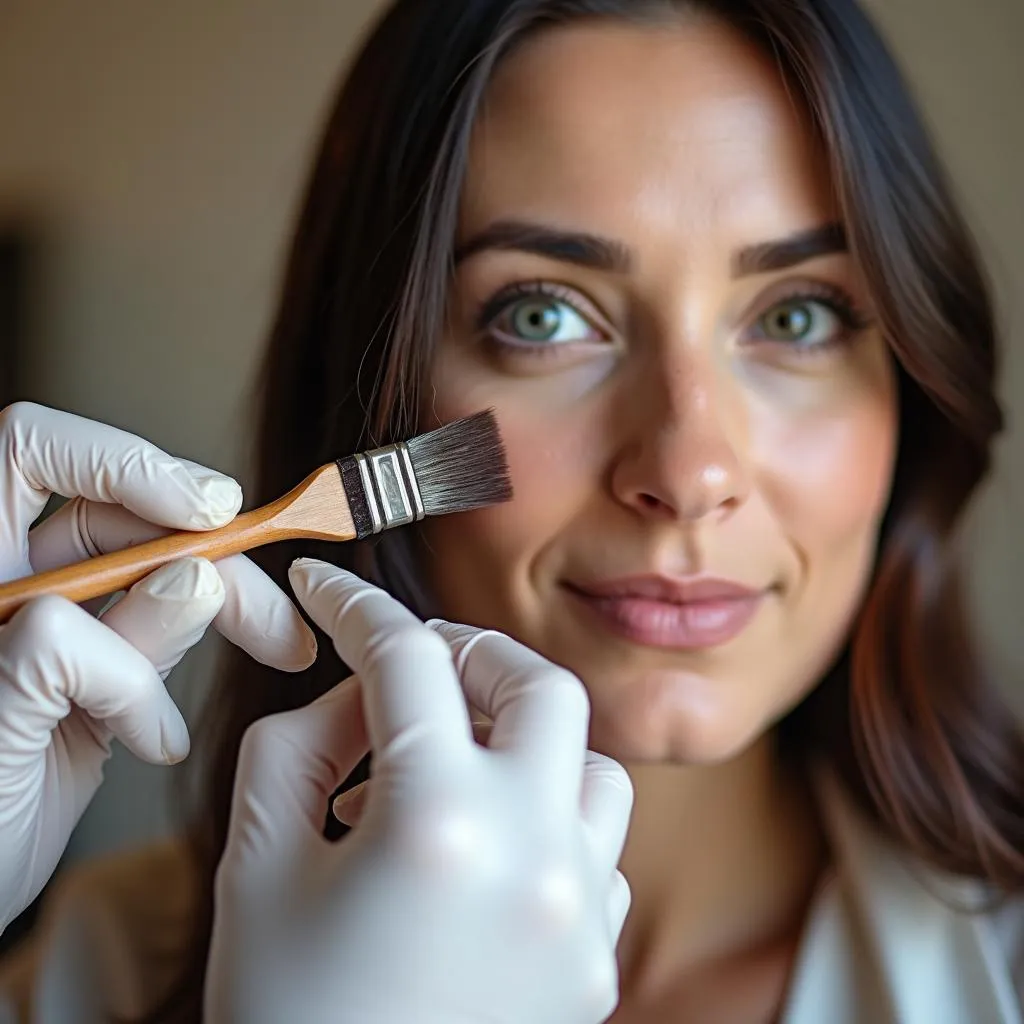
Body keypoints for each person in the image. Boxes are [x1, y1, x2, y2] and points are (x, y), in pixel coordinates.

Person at [2, 0, 1023, 1020]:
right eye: (542, 316)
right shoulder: (100, 968)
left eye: (797, 315)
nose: (688, 467)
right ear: (374, 392)